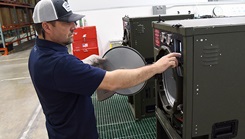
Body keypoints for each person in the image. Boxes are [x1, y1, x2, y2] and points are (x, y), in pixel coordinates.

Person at [28, 0, 181, 139]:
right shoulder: (59, 63)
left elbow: (61, 76)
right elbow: (112, 82)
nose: (74, 26)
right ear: (46, 26)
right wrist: (155, 67)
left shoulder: (37, 53)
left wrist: (84, 64)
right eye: (66, 22)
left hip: (60, 130)